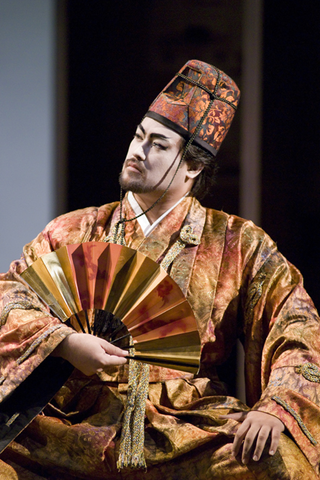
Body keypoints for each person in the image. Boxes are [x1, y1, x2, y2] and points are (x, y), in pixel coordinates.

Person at [0, 59, 320, 480]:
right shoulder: (75, 229)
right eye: (138, 136)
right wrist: (65, 341)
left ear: (193, 167)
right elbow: (11, 294)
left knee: (281, 465)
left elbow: (296, 326)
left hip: (183, 424)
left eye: (158, 144)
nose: (137, 151)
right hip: (70, 420)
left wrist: (277, 406)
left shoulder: (239, 244)